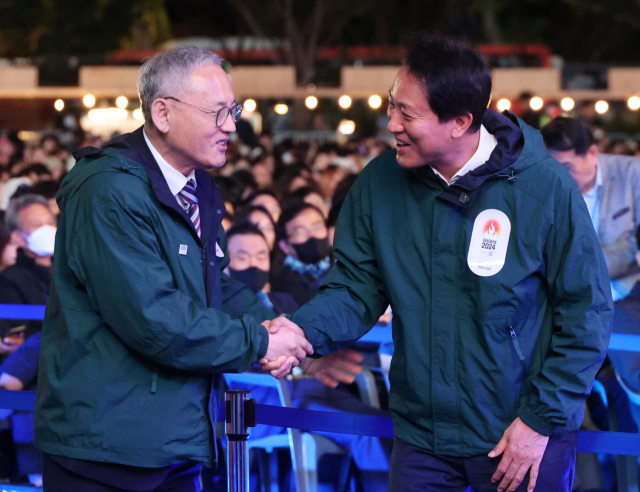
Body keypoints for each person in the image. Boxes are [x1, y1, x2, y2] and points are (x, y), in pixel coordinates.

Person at [263, 34, 613, 492]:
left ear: (460, 122)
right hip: (422, 435)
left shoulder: (542, 187)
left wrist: (541, 420)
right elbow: (355, 287)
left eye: (407, 114)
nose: (391, 123)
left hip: (518, 430)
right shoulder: (379, 184)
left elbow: (586, 310)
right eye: (392, 106)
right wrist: (302, 331)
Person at [34, 46, 313, 492]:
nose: (231, 126)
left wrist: (288, 328)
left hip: (172, 435)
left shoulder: (197, 184)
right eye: (217, 112)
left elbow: (212, 286)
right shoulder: (109, 190)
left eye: (234, 110)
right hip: (106, 445)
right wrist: (260, 340)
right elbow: (153, 317)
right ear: (162, 113)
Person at [541, 116, 640, 301]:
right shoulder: (546, 186)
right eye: (552, 169)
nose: (560, 177)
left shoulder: (633, 174)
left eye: (567, 167)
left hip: (625, 293)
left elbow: (637, 241)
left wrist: (586, 268)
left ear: (593, 153)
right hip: (565, 299)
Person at [0, 194, 56, 352]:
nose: (48, 229)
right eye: (37, 225)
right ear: (18, 236)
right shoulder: (9, 281)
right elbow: (17, 335)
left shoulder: (70, 271)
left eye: (50, 223)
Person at [226, 222, 298, 315]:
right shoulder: (218, 310)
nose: (254, 264)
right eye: (242, 258)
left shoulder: (286, 302)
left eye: (261, 258)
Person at [271, 203, 332, 307]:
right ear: (285, 246)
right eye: (300, 232)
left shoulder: (344, 264)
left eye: (317, 227)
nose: (312, 235)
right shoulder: (282, 284)